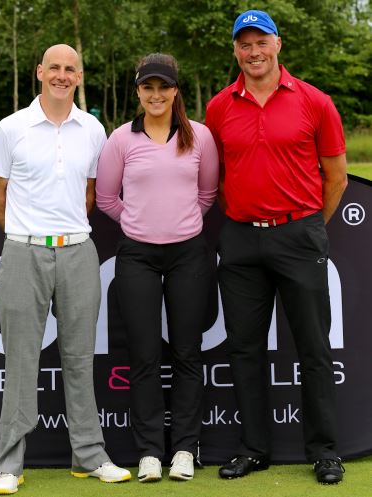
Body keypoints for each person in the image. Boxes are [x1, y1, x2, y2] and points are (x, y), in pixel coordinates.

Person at [205, 10, 348, 485]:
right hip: (242, 238)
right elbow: (219, 178)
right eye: (244, 44)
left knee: (313, 347)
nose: (253, 52)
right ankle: (253, 449)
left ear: (278, 44)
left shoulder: (315, 101)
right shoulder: (219, 107)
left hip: (299, 234)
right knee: (244, 350)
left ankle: (325, 451)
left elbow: (337, 176)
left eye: (261, 42)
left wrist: (307, 226)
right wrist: (250, 219)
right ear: (235, 51)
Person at [0, 44, 131, 494]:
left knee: (80, 359)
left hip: (78, 252)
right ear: (39, 72)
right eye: (55, 68)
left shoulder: (93, 129)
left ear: (79, 76)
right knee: (21, 359)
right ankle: (9, 464)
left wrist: (63, 233)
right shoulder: (11, 128)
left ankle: (88, 456)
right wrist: (26, 233)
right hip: (23, 252)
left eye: (70, 69)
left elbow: (90, 193)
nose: (62, 76)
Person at [96, 53, 219, 482]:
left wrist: (179, 224)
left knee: (187, 352)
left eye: (162, 87)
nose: (155, 94)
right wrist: (137, 222)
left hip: (188, 254)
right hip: (137, 256)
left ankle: (184, 448)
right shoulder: (120, 140)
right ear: (138, 92)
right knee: (144, 355)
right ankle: (150, 450)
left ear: (175, 91)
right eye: (147, 87)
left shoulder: (199, 136)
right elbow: (107, 198)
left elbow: (207, 194)